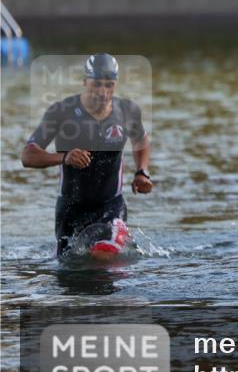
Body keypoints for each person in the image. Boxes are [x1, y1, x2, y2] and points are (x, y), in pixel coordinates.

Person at [21, 54, 153, 258]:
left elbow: (141, 140)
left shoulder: (127, 111)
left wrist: (142, 172)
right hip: (70, 209)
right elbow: (28, 156)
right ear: (85, 81)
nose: (103, 91)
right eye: (97, 84)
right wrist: (64, 157)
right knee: (69, 276)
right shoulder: (61, 112)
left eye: (109, 84)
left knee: (103, 256)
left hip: (110, 205)